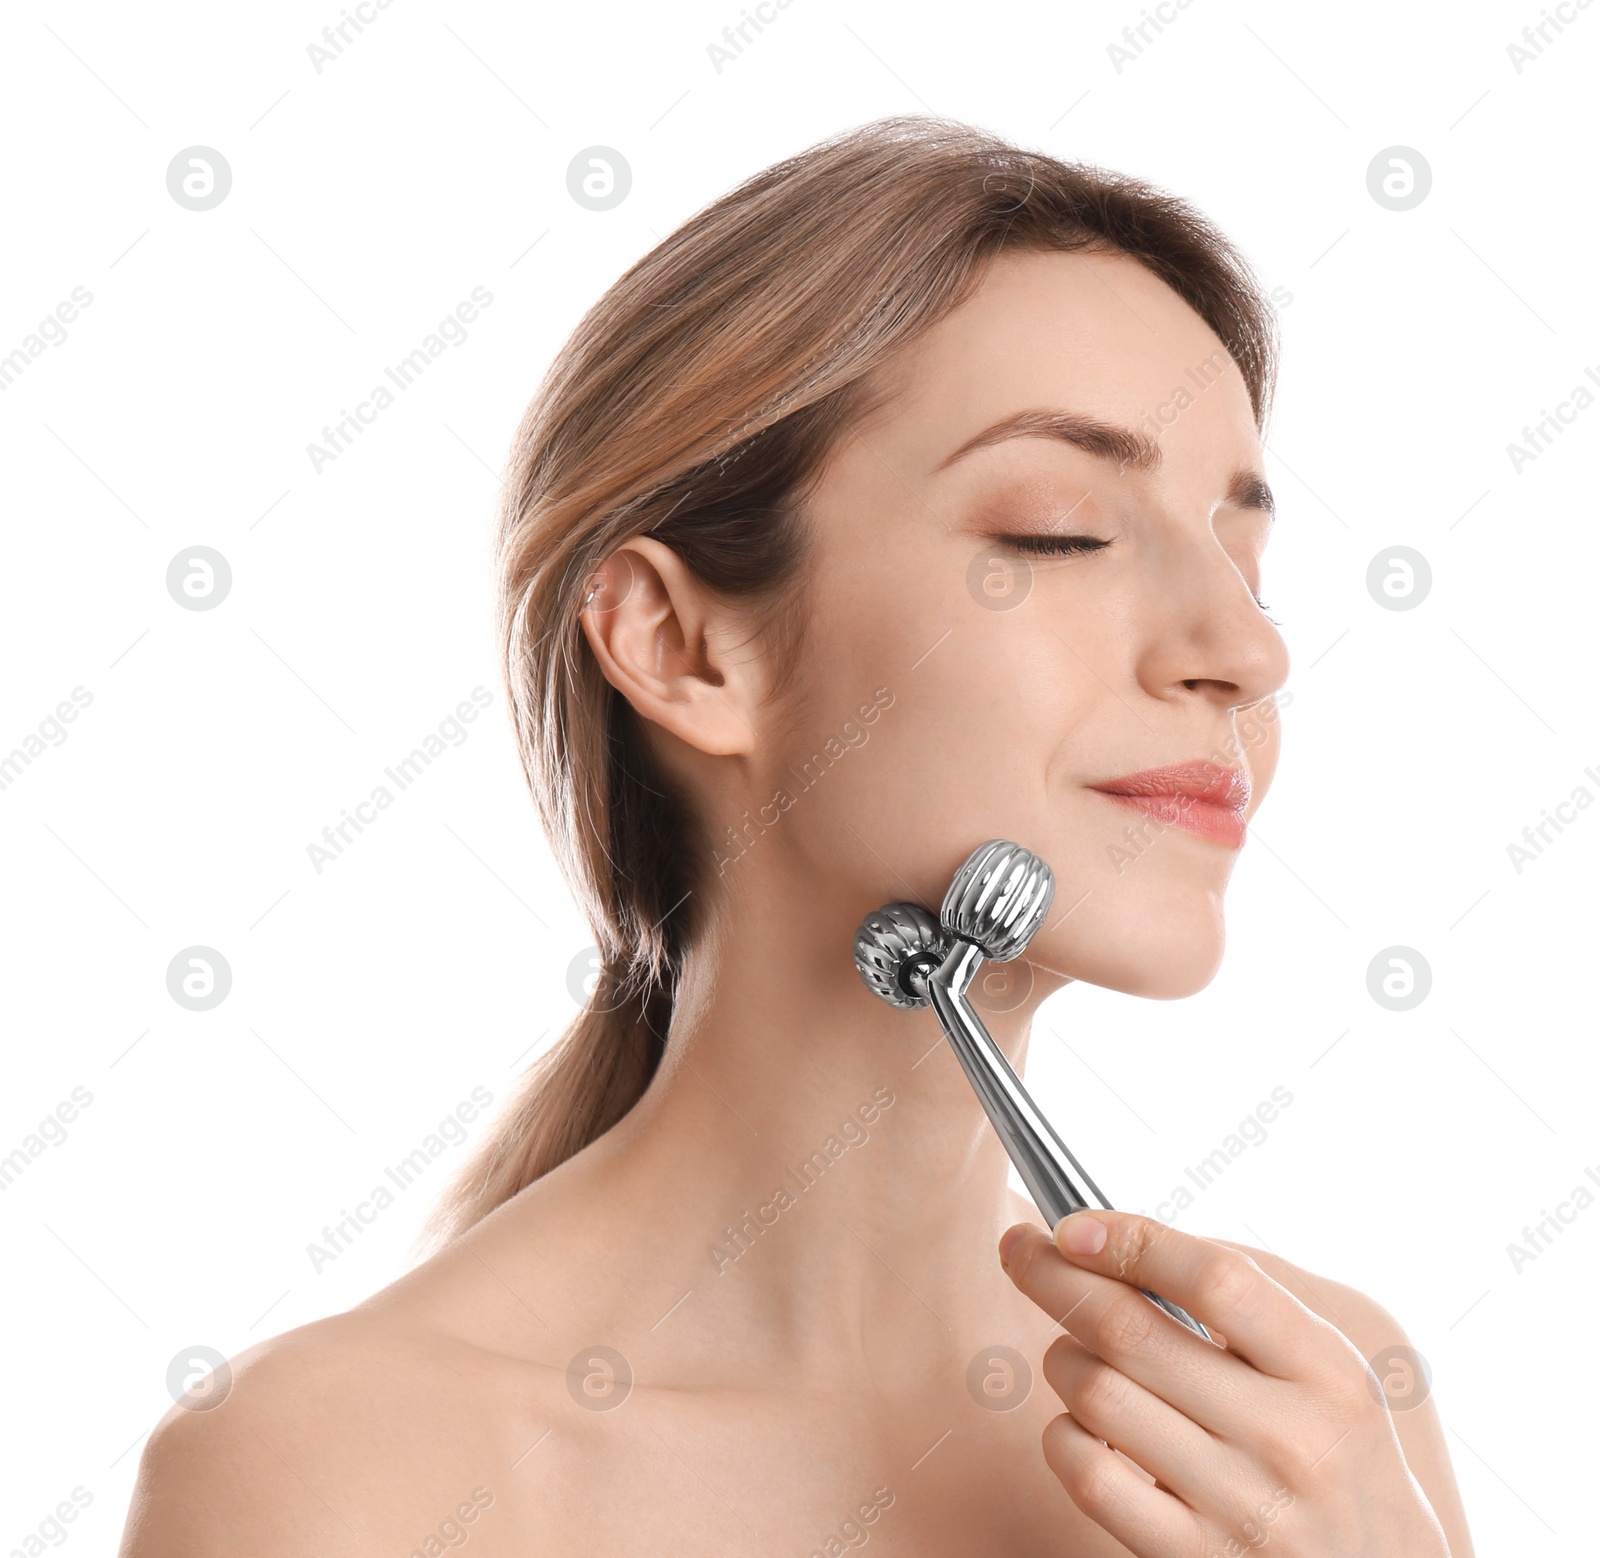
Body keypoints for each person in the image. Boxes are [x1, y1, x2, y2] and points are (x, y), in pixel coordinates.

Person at [120, 115, 1473, 1556]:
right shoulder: (336, 1476)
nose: (1242, 651)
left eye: (1246, 559)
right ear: (683, 643)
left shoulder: (1298, 1414)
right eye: (1062, 530)